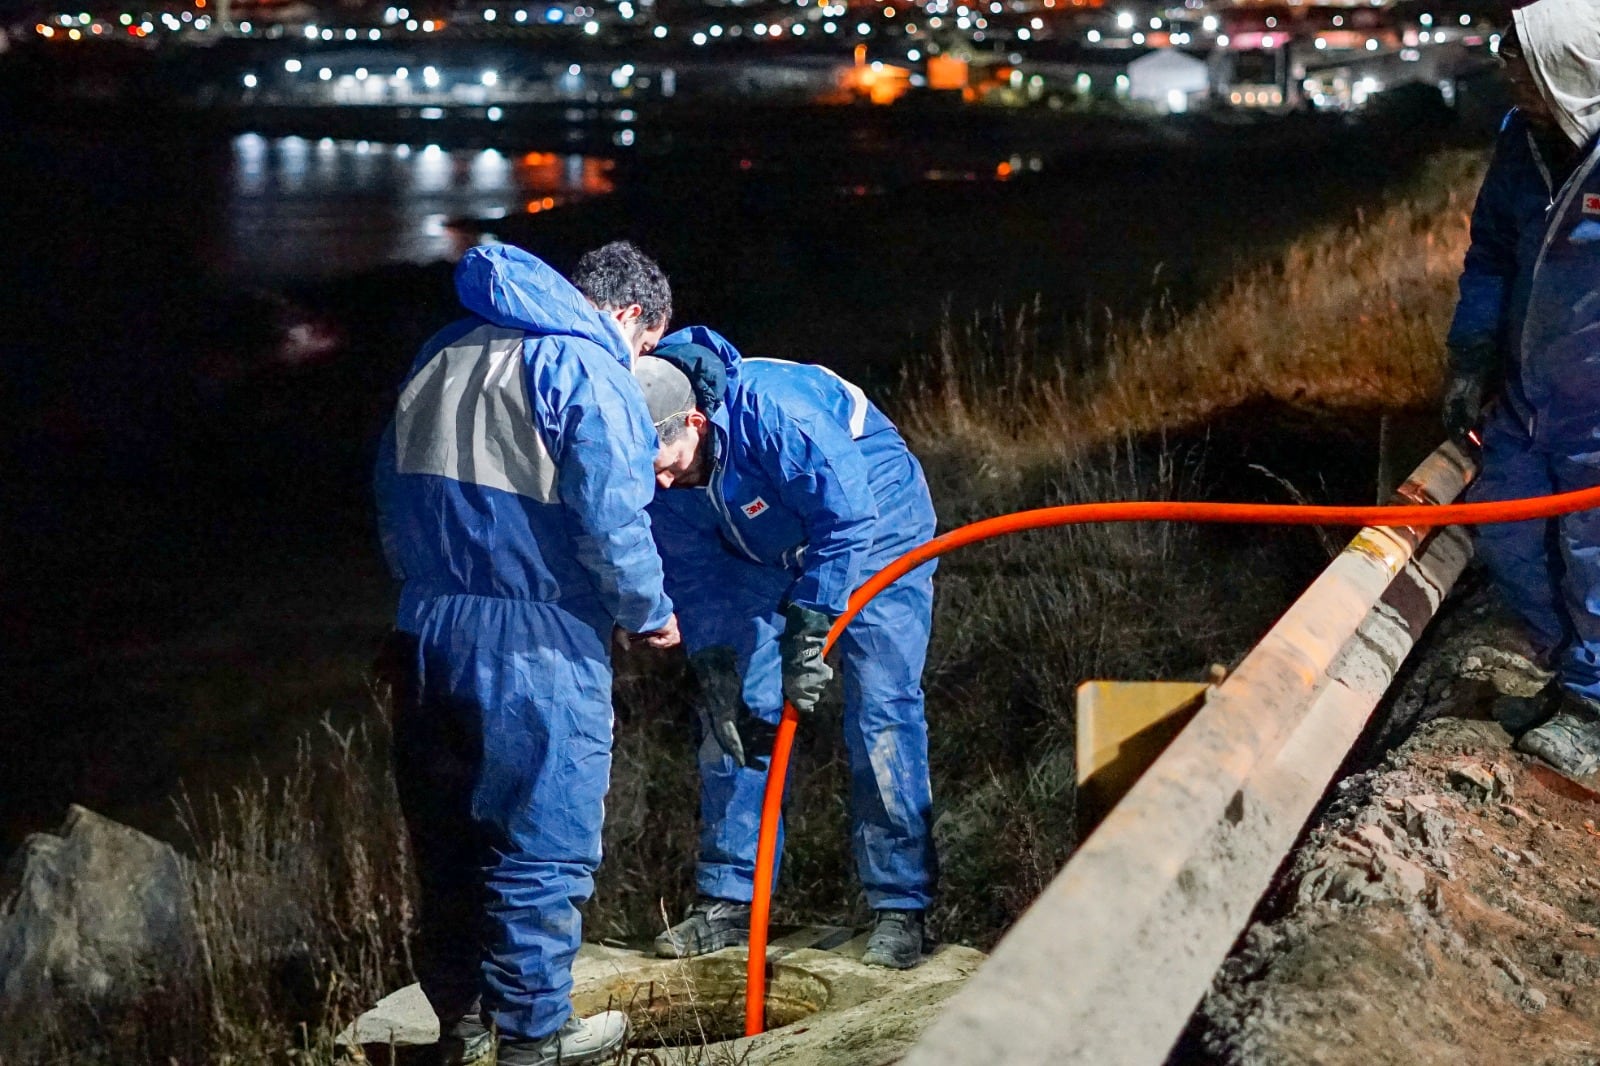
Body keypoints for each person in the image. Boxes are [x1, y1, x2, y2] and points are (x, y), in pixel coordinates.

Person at [374, 240, 679, 1066]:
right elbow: (612, 514)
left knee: (448, 847)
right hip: (534, 639)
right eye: (645, 347)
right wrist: (648, 612)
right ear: (627, 317)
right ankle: (536, 1039)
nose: (639, 362)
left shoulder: (444, 350)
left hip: (425, 627)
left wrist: (424, 591)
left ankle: (461, 1028)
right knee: (540, 845)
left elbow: (388, 489)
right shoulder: (582, 363)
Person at [631, 327, 939, 969]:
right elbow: (694, 573)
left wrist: (812, 625)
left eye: (664, 464)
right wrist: (714, 660)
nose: (658, 485)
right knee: (734, 718)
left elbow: (847, 518)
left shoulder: (777, 414)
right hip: (754, 545)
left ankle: (899, 906)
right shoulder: (661, 472)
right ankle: (731, 900)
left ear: (694, 421)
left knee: (882, 706)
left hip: (873, 516)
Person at [1442, 1, 1600, 775]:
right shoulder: (1521, 142)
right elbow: (1494, 254)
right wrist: (1471, 355)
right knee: (1506, 532)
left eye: (1523, 57)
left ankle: (1593, 713)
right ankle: (1572, 671)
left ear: (1568, 70)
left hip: (1598, 408)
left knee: (1595, 554)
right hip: (1530, 396)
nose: (1507, 66)